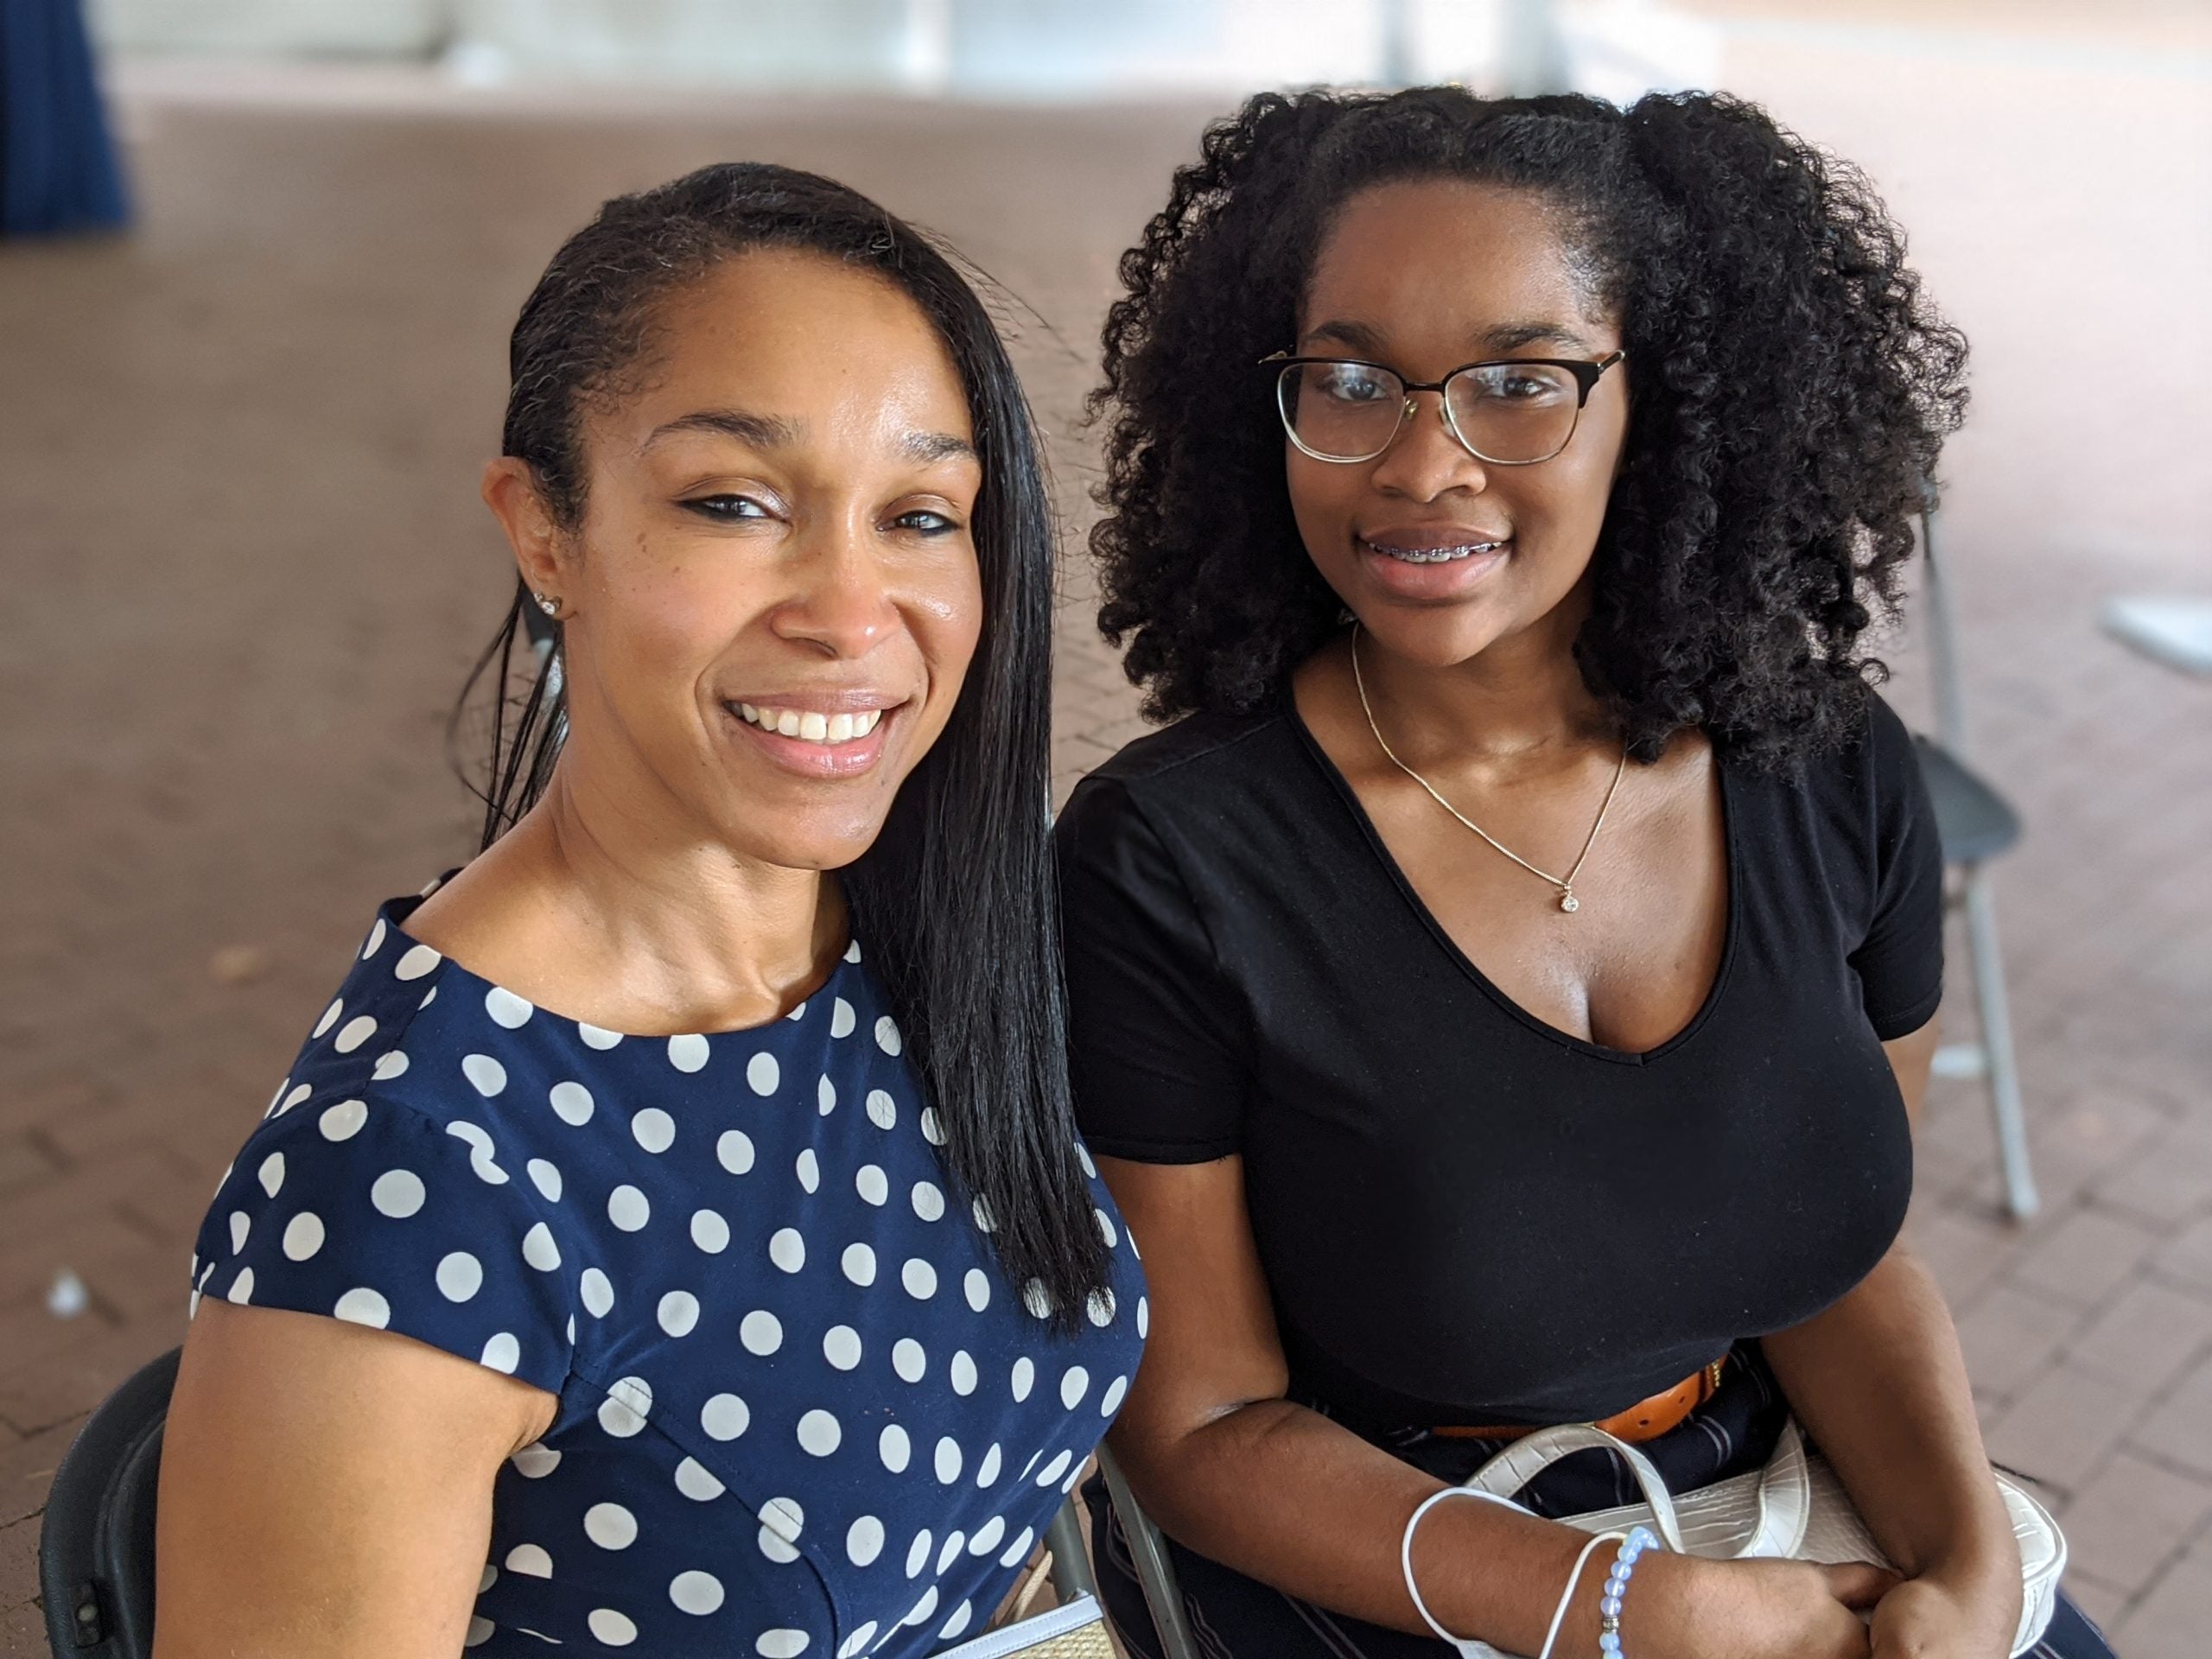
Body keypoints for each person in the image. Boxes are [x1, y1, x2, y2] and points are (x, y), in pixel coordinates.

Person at [1057, 88, 2108, 1659]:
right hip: (1390, 1559)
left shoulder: (1824, 766)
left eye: (1520, 382)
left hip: (1764, 1510)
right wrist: (1638, 1608)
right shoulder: (1172, 861)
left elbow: (1832, 1251)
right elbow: (1200, 1431)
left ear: (1662, 404)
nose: (1422, 464)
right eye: (1348, 380)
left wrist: (1964, 1560)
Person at [156, 162, 1143, 1658]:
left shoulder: (905, 940)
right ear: (545, 532)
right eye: (735, 502)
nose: (852, 611)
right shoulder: (418, 1182)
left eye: (922, 515)